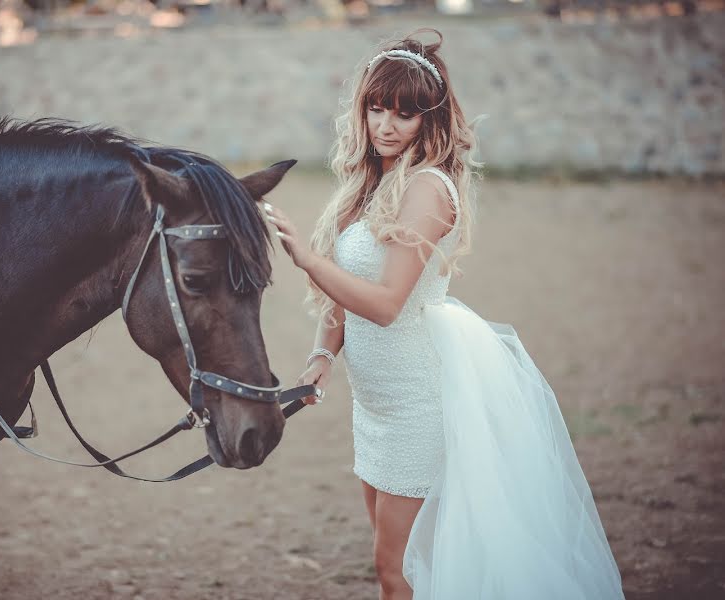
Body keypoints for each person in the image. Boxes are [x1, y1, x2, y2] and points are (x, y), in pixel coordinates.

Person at [263, 30, 625, 600]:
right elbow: (344, 293)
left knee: (396, 569)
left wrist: (305, 259)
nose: (385, 125)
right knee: (410, 563)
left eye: (403, 115)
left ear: (428, 121)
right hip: (375, 406)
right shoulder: (365, 185)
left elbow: (383, 305)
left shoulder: (428, 190)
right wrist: (319, 357)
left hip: (419, 403)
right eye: (376, 108)